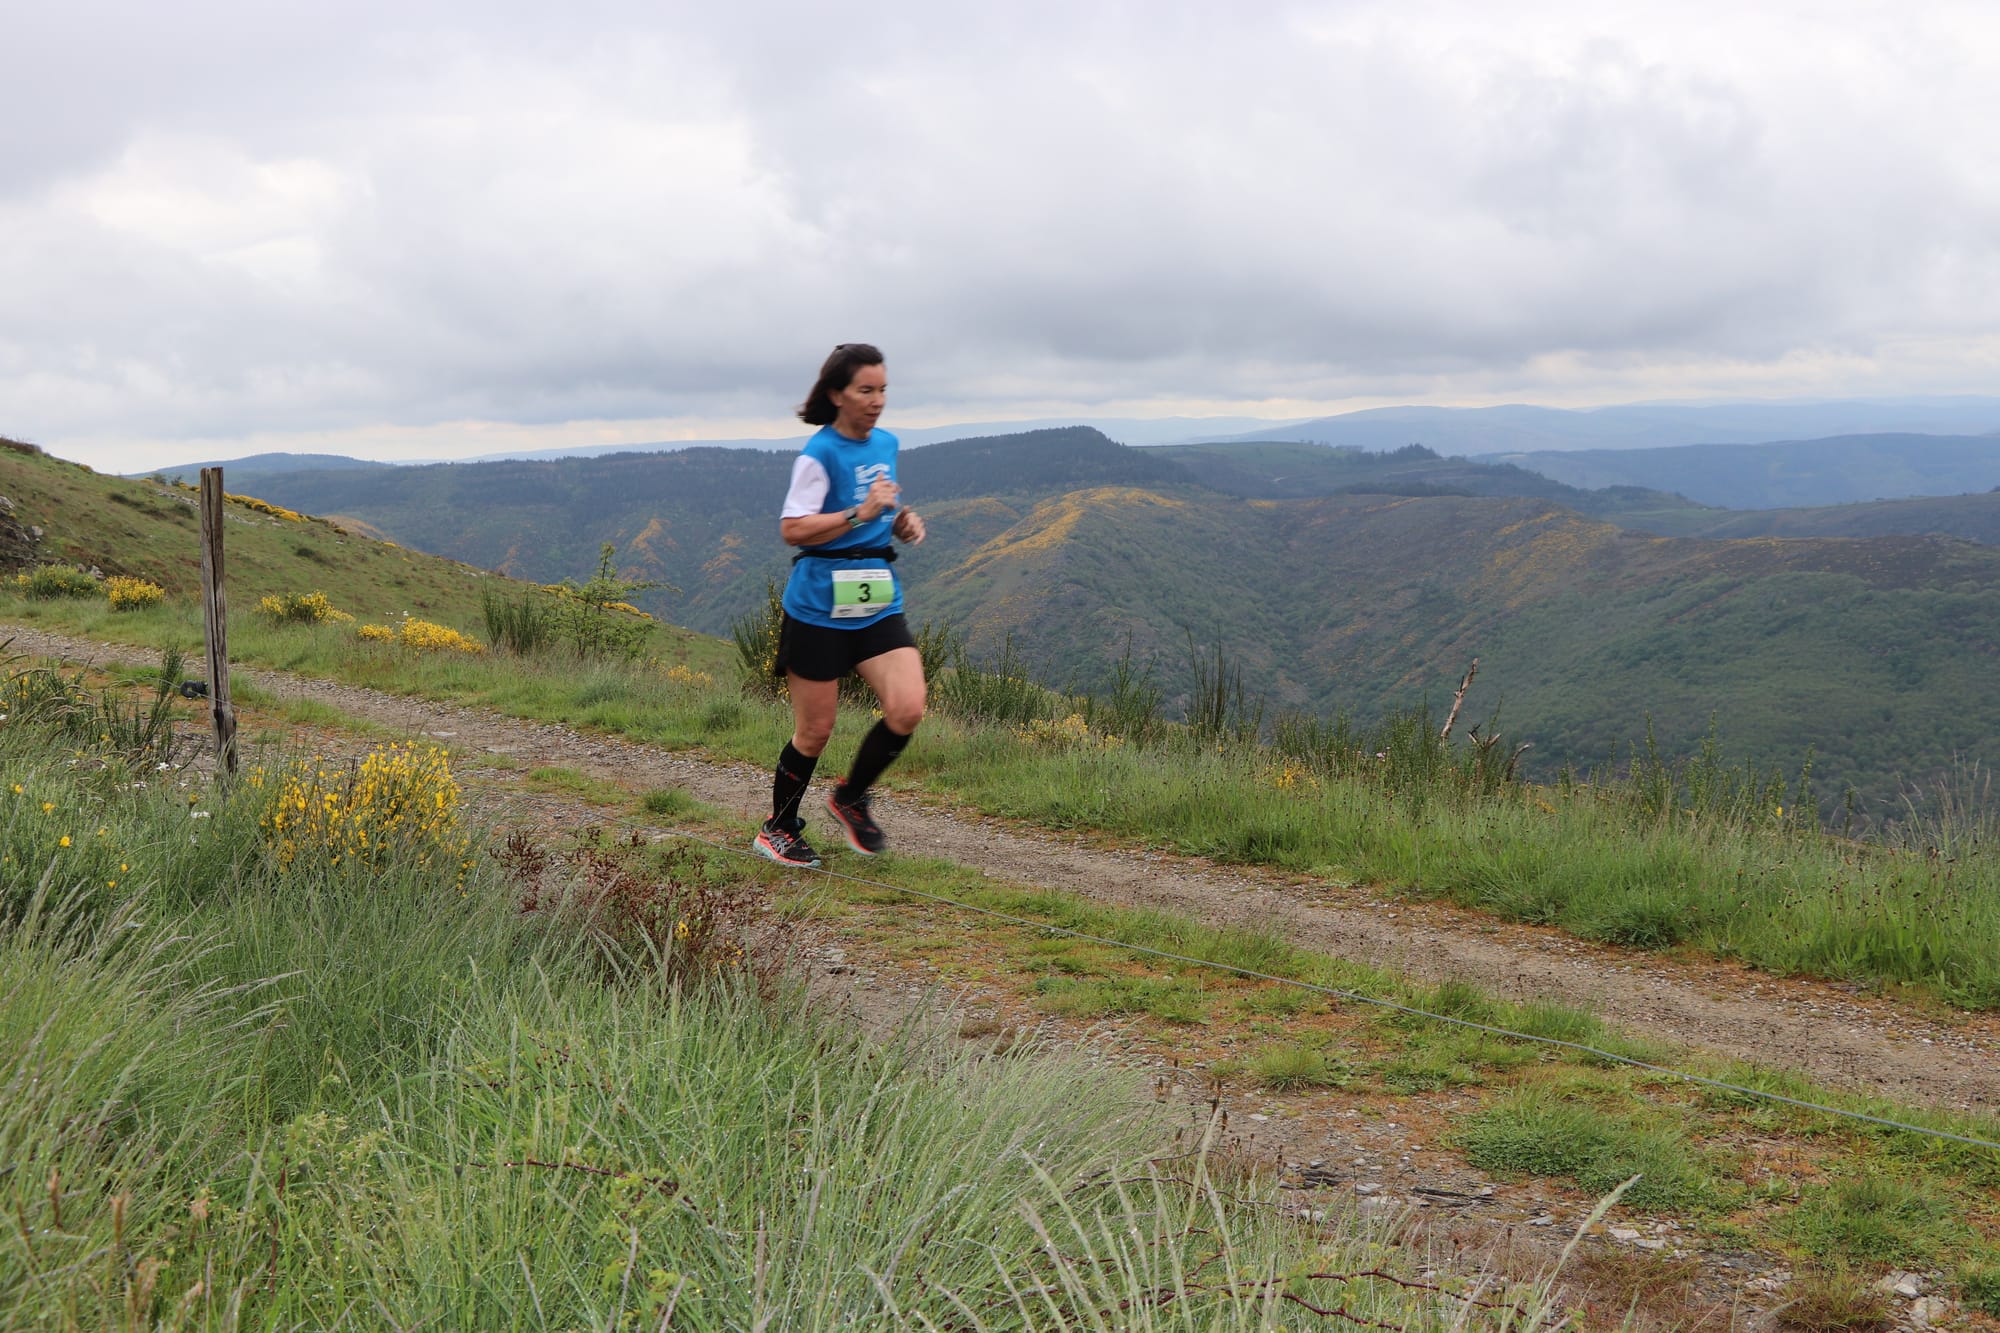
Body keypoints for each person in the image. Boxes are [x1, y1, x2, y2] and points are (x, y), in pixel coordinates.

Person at [755, 343, 928, 867]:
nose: (877, 401)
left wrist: (898, 521)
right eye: (865, 390)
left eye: (882, 390)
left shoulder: (888, 443)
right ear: (837, 394)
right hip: (818, 607)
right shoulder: (819, 454)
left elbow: (880, 508)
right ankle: (778, 829)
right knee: (815, 731)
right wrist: (860, 513)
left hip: (876, 596)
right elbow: (792, 529)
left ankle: (850, 797)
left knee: (907, 707)